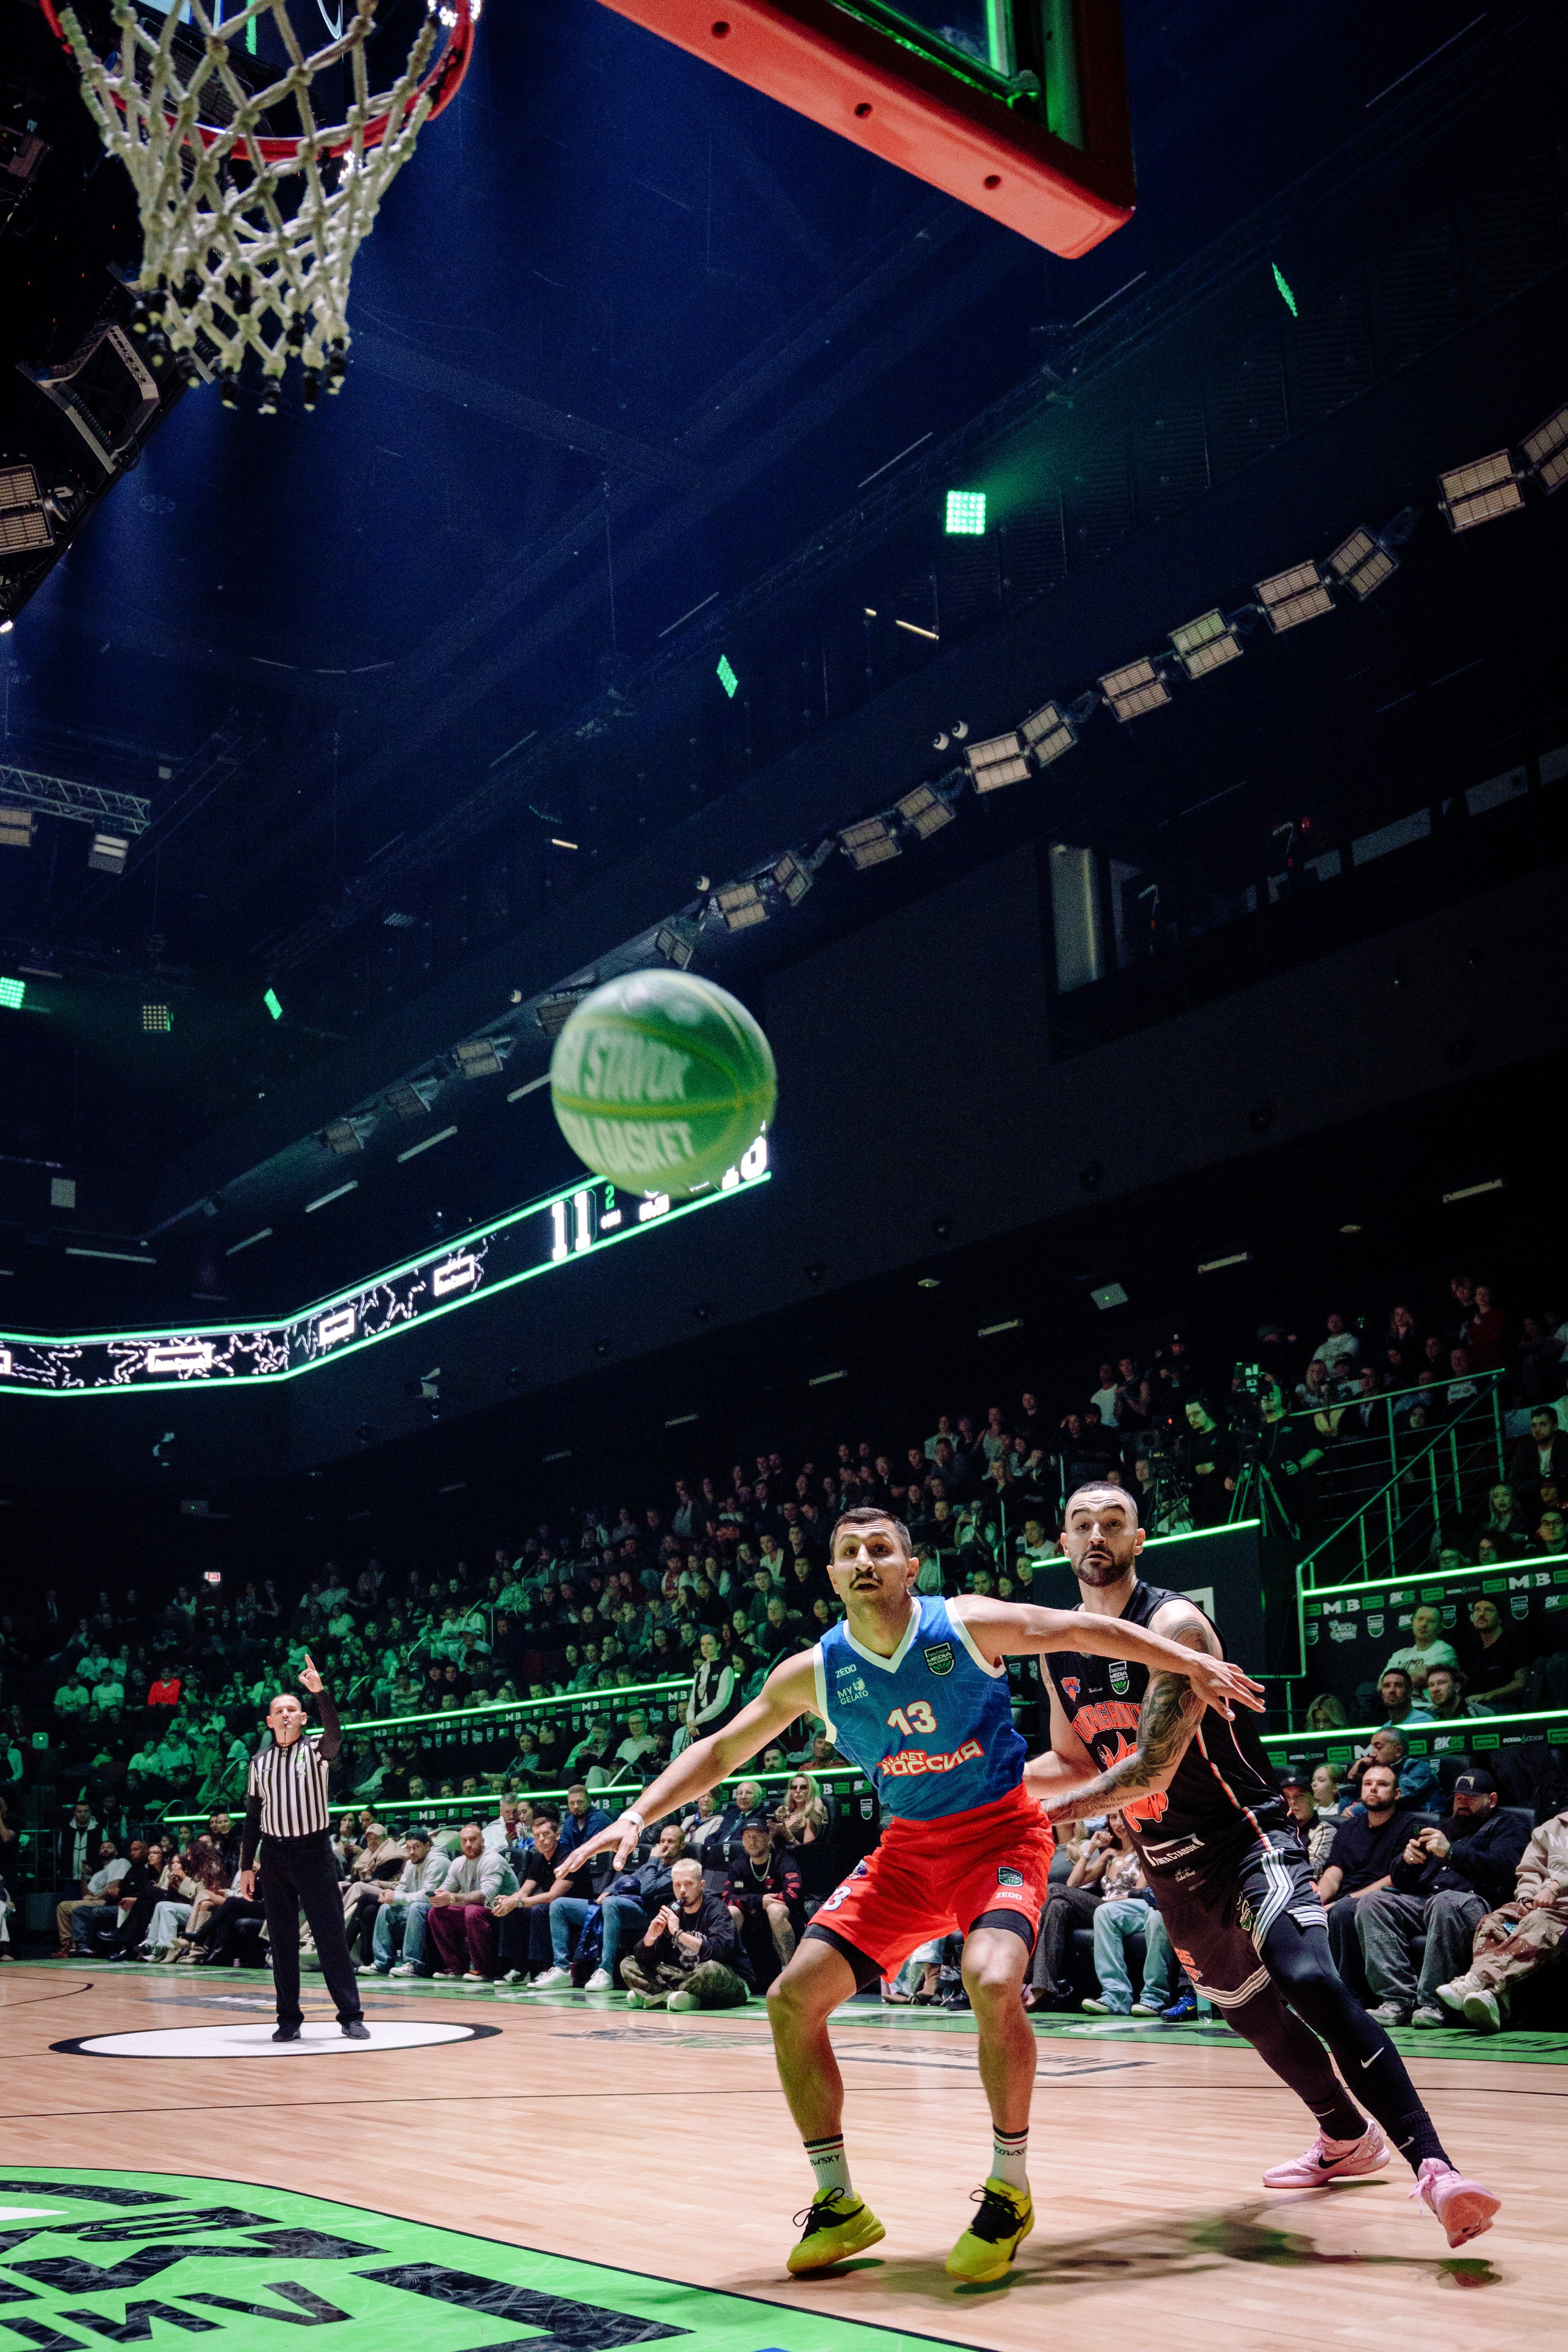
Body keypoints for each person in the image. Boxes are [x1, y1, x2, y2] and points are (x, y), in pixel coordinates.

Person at [564, 1502, 1259, 2281]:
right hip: (904, 1856)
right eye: (850, 1551)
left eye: (881, 1548)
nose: (866, 1560)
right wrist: (634, 1812)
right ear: (832, 1575)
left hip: (999, 1837)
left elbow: (1076, 1630)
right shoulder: (814, 1671)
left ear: (908, 1566)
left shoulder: (962, 1625)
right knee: (791, 2002)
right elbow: (722, 1747)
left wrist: (1179, 1657)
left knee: (991, 1977)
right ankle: (838, 2203)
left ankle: (1009, 2188)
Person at [1028, 1482, 1499, 2250]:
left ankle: (1436, 2169)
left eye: (1113, 1524)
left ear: (1138, 1540)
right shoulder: (1059, 1650)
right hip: (1170, 1871)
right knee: (1249, 2014)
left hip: (1244, 1841)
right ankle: (1345, 2139)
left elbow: (1148, 1767)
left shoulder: (1173, 1625)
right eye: (1081, 1525)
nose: (1096, 1537)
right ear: (1063, 1541)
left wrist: (1032, 1813)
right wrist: (981, 1786)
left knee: (1305, 1977)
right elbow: (1070, 1757)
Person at [238, 1656, 368, 2041]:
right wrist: (248, 1865)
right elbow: (251, 1818)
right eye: (278, 1711)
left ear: (303, 1718)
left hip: (313, 1853)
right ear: (269, 1721)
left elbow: (336, 1734)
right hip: (275, 1858)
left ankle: (350, 2015)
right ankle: (289, 2019)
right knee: (281, 1941)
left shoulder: (317, 1751)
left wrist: (320, 1693)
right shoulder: (258, 1764)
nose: (285, 1715)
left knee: (330, 1937)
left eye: (292, 1709)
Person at [1354, 1770, 1531, 2027]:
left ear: (1491, 1800)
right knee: (1372, 1903)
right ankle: (1397, 2000)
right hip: (1426, 1902)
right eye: (1458, 1797)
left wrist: (1451, 1853)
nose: (1462, 1803)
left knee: (1446, 1901)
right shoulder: (1441, 1826)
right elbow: (1401, 1879)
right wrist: (1407, 1862)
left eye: (1471, 1798)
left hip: (1479, 1906)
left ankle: (1434, 2004)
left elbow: (1504, 1869)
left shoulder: (1508, 1826)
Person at [1437, 1803, 1568, 2030]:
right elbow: (1530, 1871)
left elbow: (1554, 1886)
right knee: (1495, 1921)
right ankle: (1492, 1996)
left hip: (1562, 1911)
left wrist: (1558, 1886)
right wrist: (1526, 1898)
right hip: (1540, 1904)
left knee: (1537, 1924)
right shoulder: (1551, 1828)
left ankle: (1476, 1981)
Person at [620, 1855, 752, 2009]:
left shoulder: (717, 1909)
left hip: (729, 1981)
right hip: (687, 1977)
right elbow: (644, 1958)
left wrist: (678, 1932)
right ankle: (681, 1998)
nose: (682, 1891)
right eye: (677, 1885)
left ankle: (656, 1995)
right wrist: (651, 1935)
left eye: (688, 1884)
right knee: (629, 1963)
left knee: (711, 1970)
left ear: (702, 1885)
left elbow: (718, 1952)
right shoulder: (672, 1911)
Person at [425, 1820, 518, 1980]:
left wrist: (452, 1898)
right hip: (479, 1911)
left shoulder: (492, 1859)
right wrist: (438, 1896)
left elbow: (487, 1896)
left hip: (506, 1910)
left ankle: (484, 1969)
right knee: (437, 1912)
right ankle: (457, 1966)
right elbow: (446, 1889)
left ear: (482, 1841)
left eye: (473, 1840)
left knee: (473, 1911)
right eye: (464, 1841)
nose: (468, 1844)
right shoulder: (458, 1863)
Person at [364, 1828, 447, 1977]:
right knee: (385, 1908)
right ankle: (381, 1963)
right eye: (408, 1848)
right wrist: (392, 1896)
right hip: (417, 1907)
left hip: (439, 1907)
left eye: (416, 1847)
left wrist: (397, 1898)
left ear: (427, 1846)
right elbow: (402, 1889)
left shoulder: (438, 1861)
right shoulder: (410, 1864)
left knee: (416, 1907)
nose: (412, 1852)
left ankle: (414, 1964)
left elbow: (427, 1896)